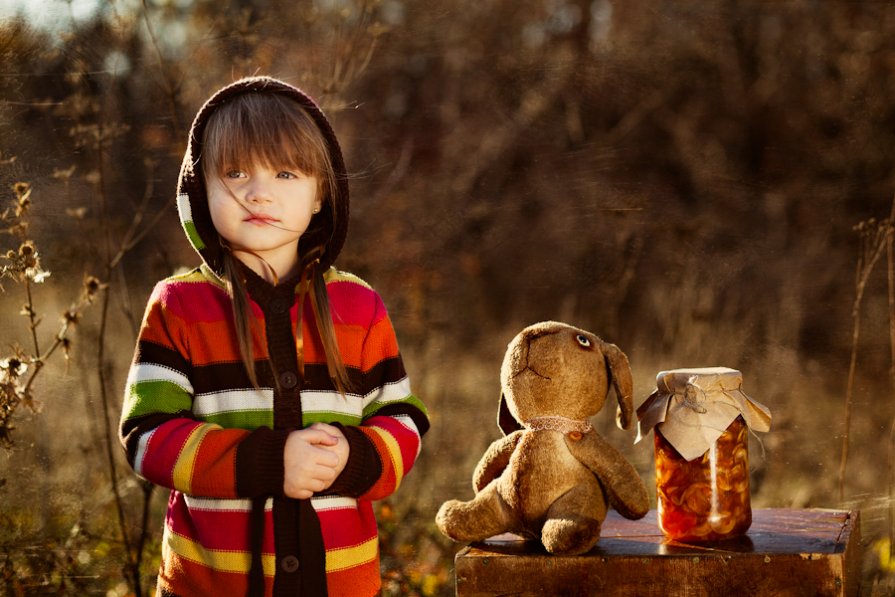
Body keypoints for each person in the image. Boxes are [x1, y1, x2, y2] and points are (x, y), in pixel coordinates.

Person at [119, 76, 429, 597]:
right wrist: (268, 461)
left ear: (319, 195)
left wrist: (354, 458)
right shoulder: (180, 305)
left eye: (286, 172)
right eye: (235, 171)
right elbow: (146, 436)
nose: (258, 191)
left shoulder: (359, 306)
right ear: (201, 191)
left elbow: (404, 420)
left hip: (341, 583)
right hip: (212, 584)